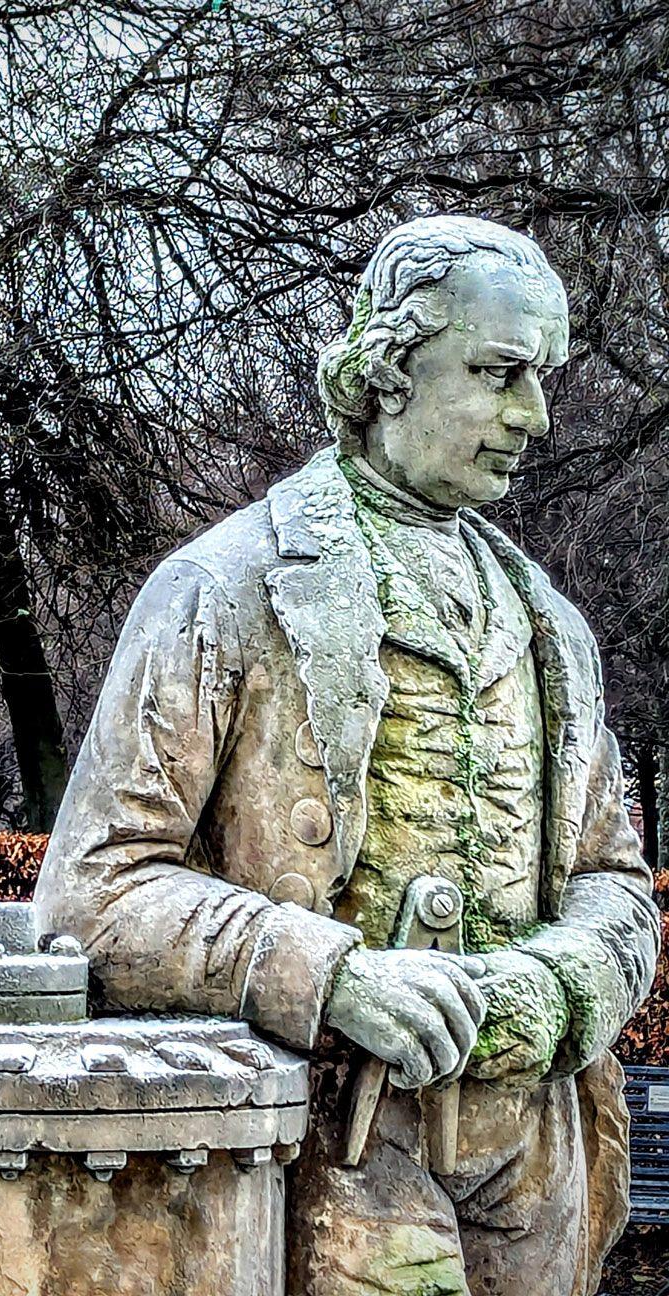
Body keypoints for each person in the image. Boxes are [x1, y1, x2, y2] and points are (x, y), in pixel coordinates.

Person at [34, 215, 660, 1296]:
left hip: (535, 1153)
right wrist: (332, 977)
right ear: (385, 372)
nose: (534, 417)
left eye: (540, 377)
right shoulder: (222, 587)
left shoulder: (547, 622)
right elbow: (89, 892)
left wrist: (559, 987)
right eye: (500, 372)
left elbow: (614, 880)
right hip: (333, 1146)